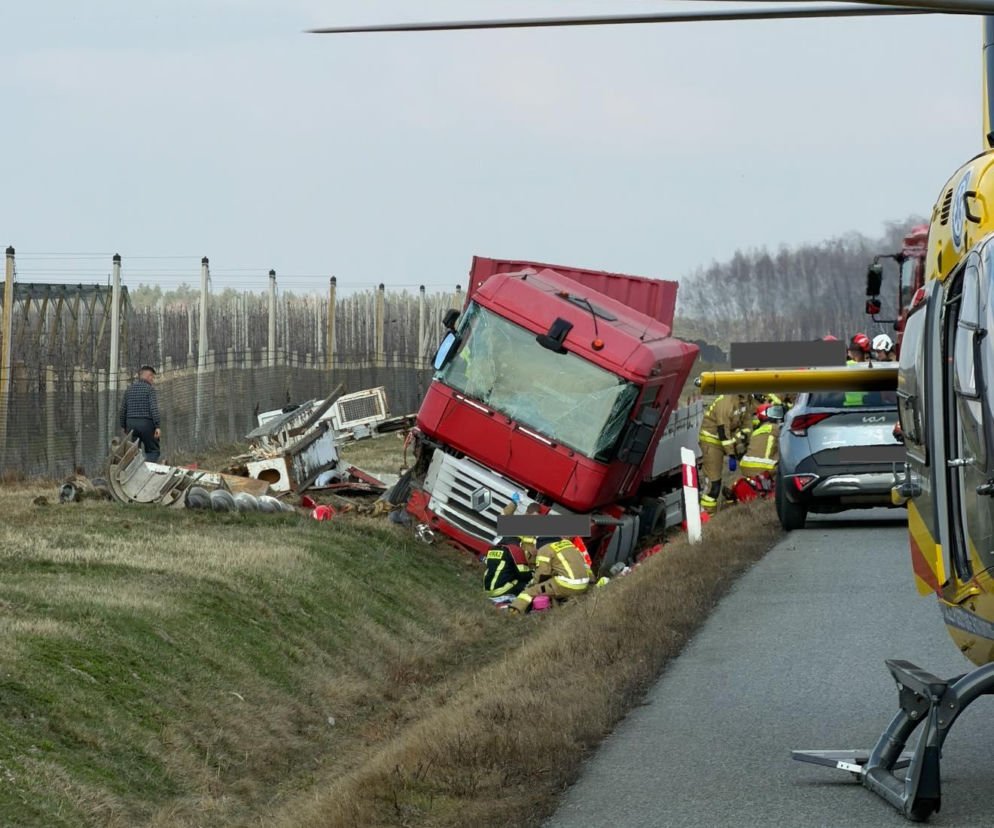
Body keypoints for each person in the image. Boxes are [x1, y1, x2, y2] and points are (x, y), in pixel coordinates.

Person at [698, 393, 753, 515]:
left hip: (728, 438)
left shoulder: (746, 399)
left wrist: (746, 443)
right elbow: (723, 432)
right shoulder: (726, 402)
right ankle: (707, 516)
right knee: (714, 483)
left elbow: (747, 424)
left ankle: (735, 499)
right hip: (712, 441)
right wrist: (732, 455)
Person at [508, 534, 591, 614]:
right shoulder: (567, 543)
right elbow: (585, 566)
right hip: (584, 585)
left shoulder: (544, 550)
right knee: (552, 584)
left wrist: (534, 586)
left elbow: (542, 575)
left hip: (568, 585)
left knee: (529, 592)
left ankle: (513, 611)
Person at [730, 402, 779, 501]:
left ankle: (748, 488)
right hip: (764, 468)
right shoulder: (777, 429)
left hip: (746, 467)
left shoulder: (756, 432)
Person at [118, 365, 162, 461]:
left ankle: (135, 472)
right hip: (147, 424)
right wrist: (157, 426)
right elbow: (153, 409)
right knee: (153, 451)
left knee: (133, 452)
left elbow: (122, 411)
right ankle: (148, 471)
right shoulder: (150, 390)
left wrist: (124, 426)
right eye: (153, 377)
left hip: (131, 424)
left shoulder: (129, 390)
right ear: (149, 376)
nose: (153, 380)